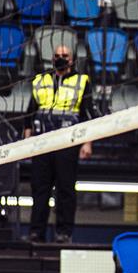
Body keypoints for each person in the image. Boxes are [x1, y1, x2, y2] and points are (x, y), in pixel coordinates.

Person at [23, 44, 96, 243]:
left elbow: (88, 114)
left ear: (72, 59)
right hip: (42, 141)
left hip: (67, 141)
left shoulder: (82, 81)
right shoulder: (41, 80)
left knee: (65, 189)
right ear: (52, 58)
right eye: (57, 55)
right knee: (40, 189)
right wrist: (27, 139)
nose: (60, 58)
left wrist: (87, 143)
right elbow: (30, 112)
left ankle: (64, 233)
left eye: (64, 55)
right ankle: (36, 232)